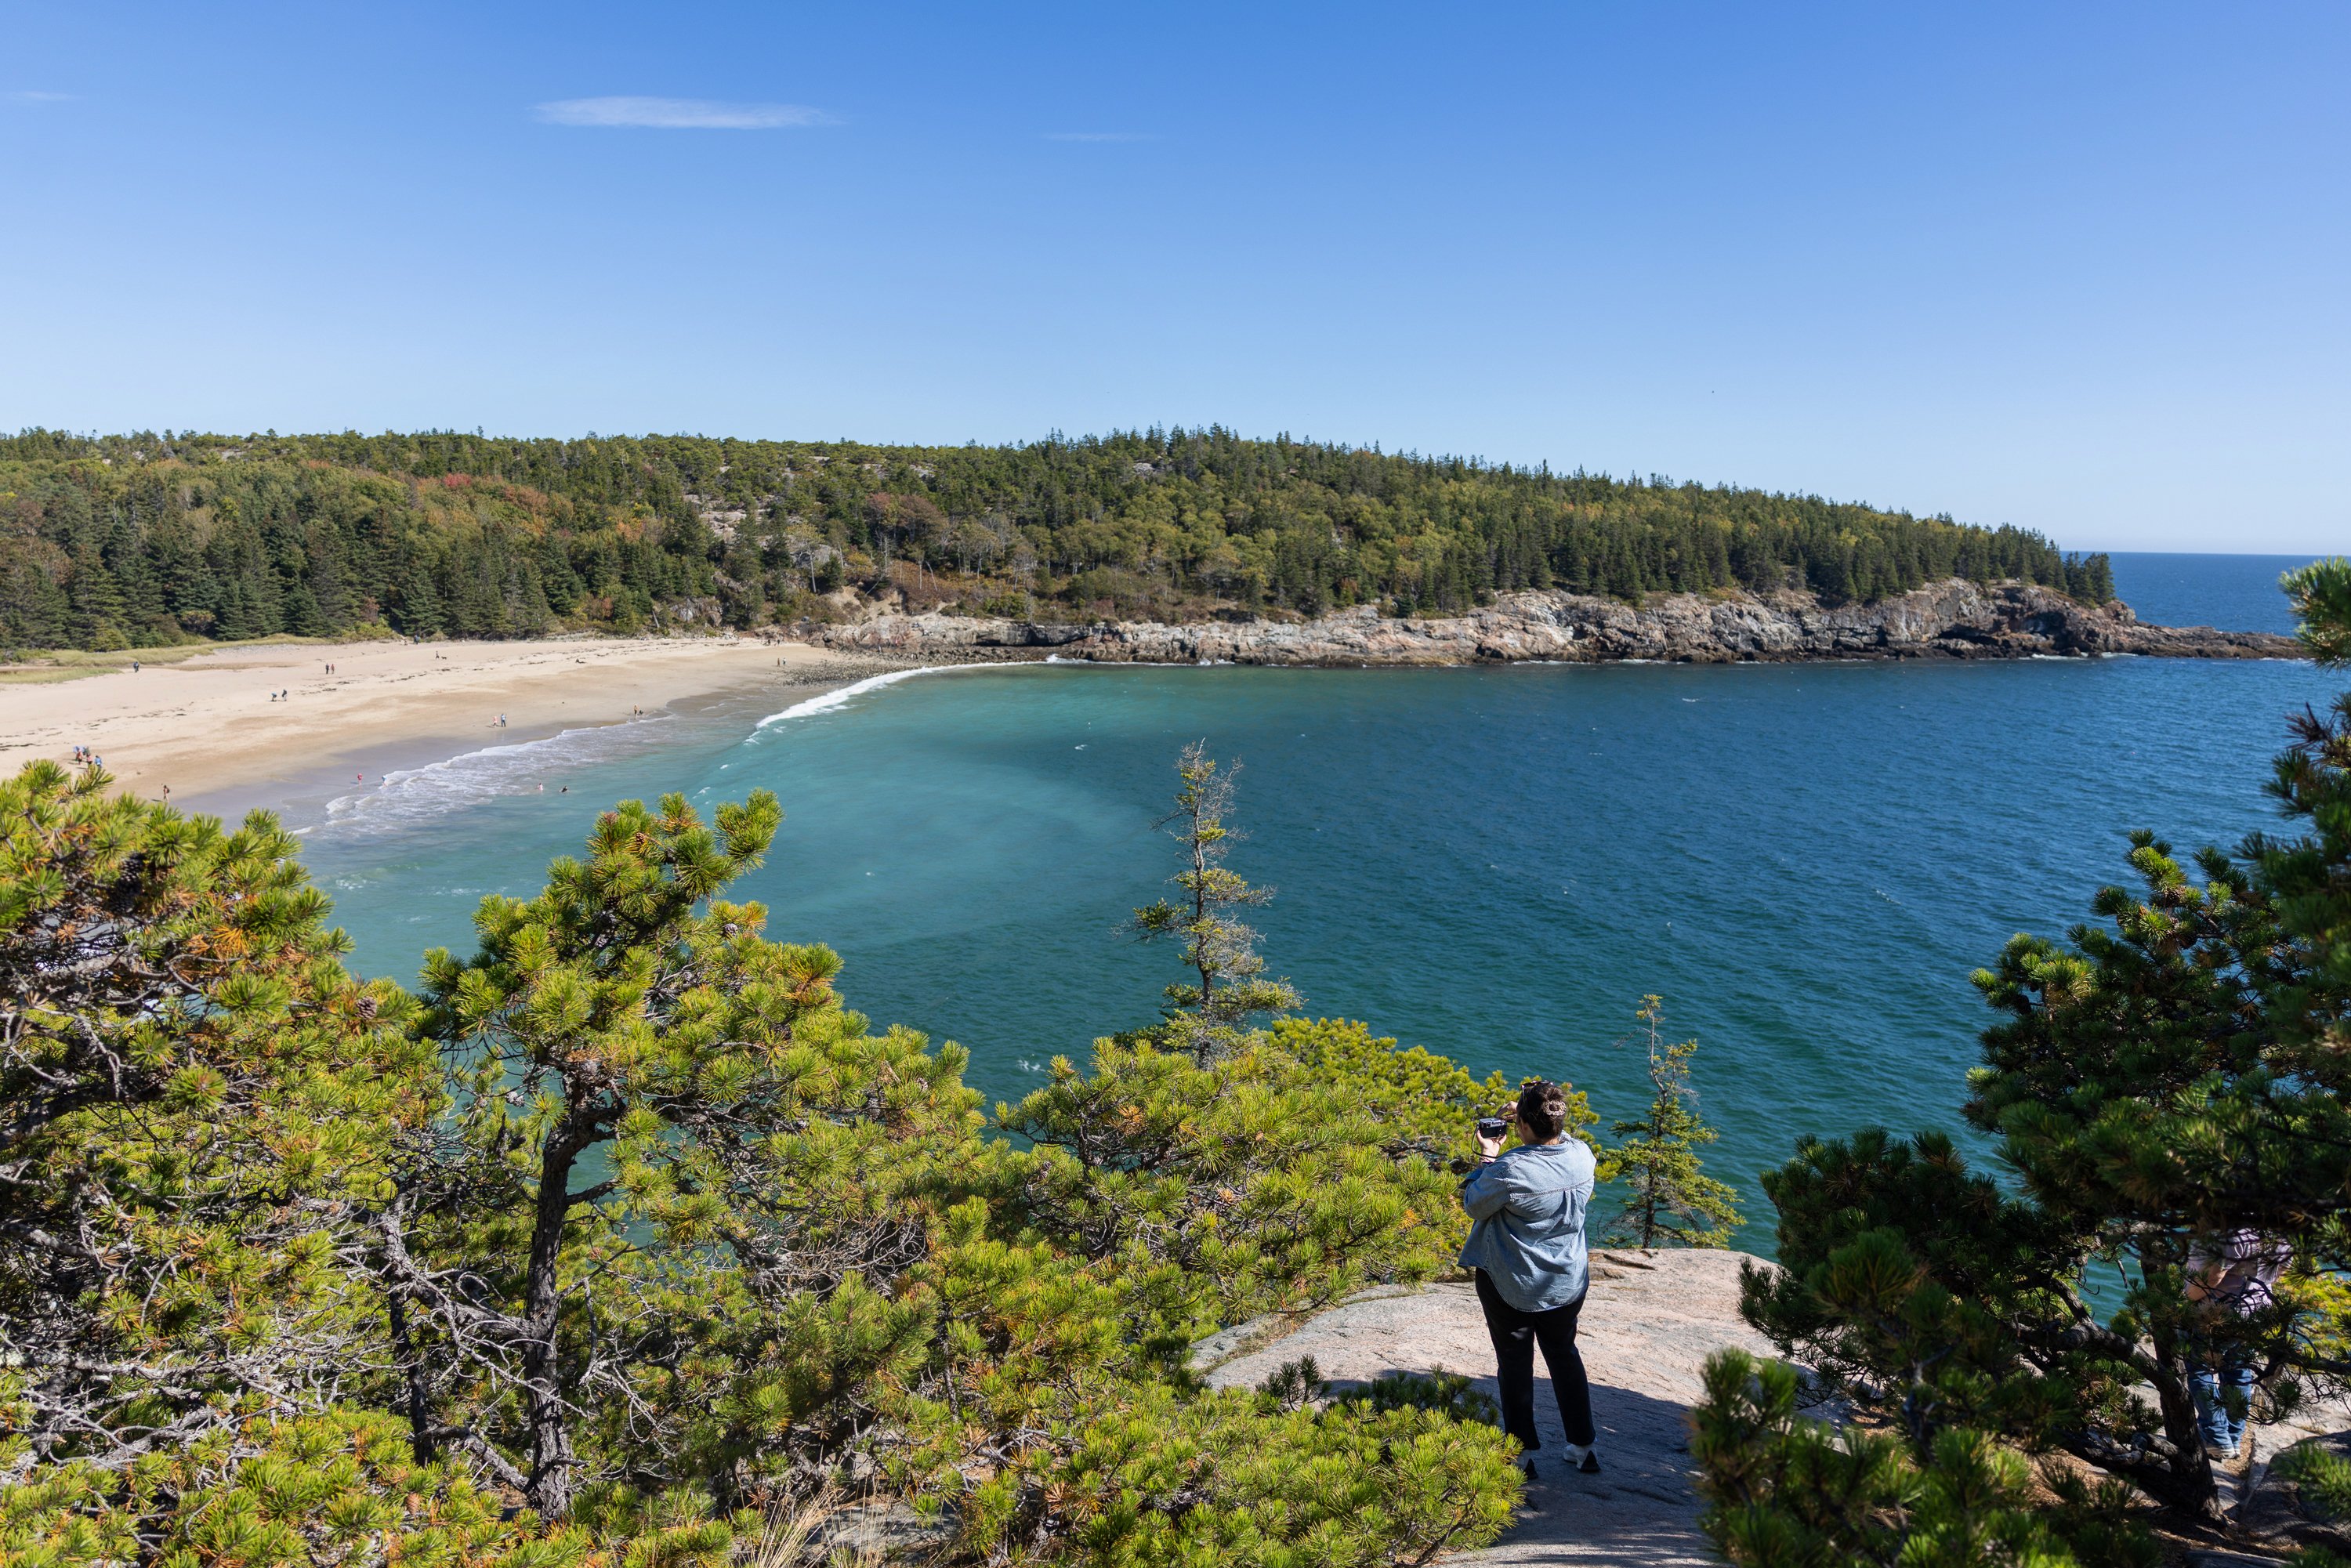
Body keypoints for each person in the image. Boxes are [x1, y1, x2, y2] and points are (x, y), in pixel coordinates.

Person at [1459, 1079, 1600, 1479]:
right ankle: (1583, 1447)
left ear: (1521, 1124)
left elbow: (1474, 1205)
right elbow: (1558, 1138)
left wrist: (1488, 1155)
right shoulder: (1583, 1155)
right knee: (1564, 1354)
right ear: (1559, 1122)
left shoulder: (1510, 1169)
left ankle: (1522, 1454)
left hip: (1514, 1283)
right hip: (1567, 1281)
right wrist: (1528, 1114)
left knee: (1515, 1363)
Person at [2187, 1227, 2290, 1461]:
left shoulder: (2235, 1230)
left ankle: (2216, 1438)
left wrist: (2182, 1299)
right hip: (2257, 1312)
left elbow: (2212, 1278)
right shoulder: (2282, 1231)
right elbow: (2282, 1271)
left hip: (2218, 1312)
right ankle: (2233, 1438)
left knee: (2200, 1370)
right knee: (2239, 1372)